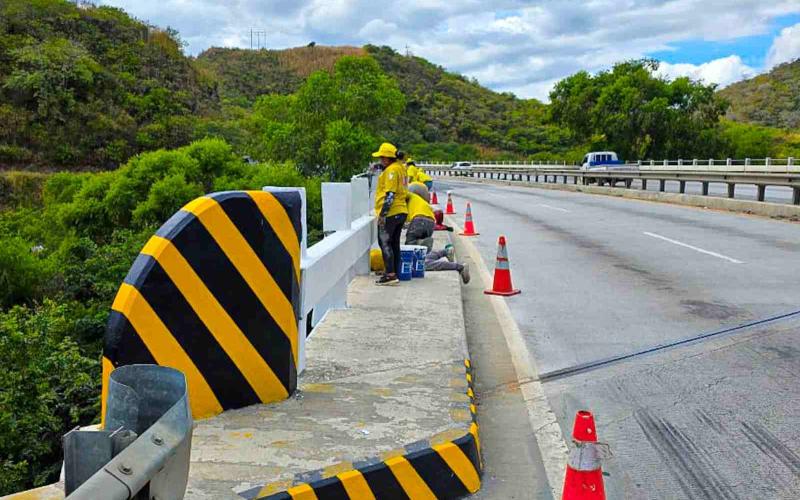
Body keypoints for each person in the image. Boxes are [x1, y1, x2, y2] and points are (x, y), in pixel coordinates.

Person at [373, 142, 408, 285]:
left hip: (391, 212)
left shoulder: (391, 171)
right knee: (394, 244)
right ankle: (395, 272)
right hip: (401, 211)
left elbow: (390, 195)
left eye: (382, 158)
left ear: (387, 158)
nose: (380, 160)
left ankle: (391, 275)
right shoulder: (401, 168)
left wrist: (382, 215)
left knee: (385, 242)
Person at [405, 186, 435, 251]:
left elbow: (402, 193)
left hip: (419, 219)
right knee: (423, 251)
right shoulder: (421, 202)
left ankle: (419, 242)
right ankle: (424, 242)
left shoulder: (411, 196)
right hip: (431, 223)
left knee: (409, 244)